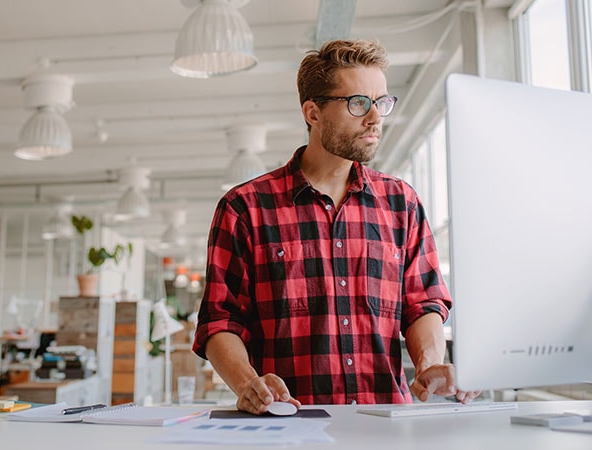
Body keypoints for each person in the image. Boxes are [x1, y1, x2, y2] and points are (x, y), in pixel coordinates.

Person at [192, 39, 480, 414]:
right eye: (358, 103)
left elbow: (422, 302)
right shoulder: (245, 207)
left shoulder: (401, 203)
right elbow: (220, 320)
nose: (375, 118)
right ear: (313, 112)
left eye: (382, 103)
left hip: (384, 426)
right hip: (288, 426)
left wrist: (428, 364)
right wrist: (249, 384)